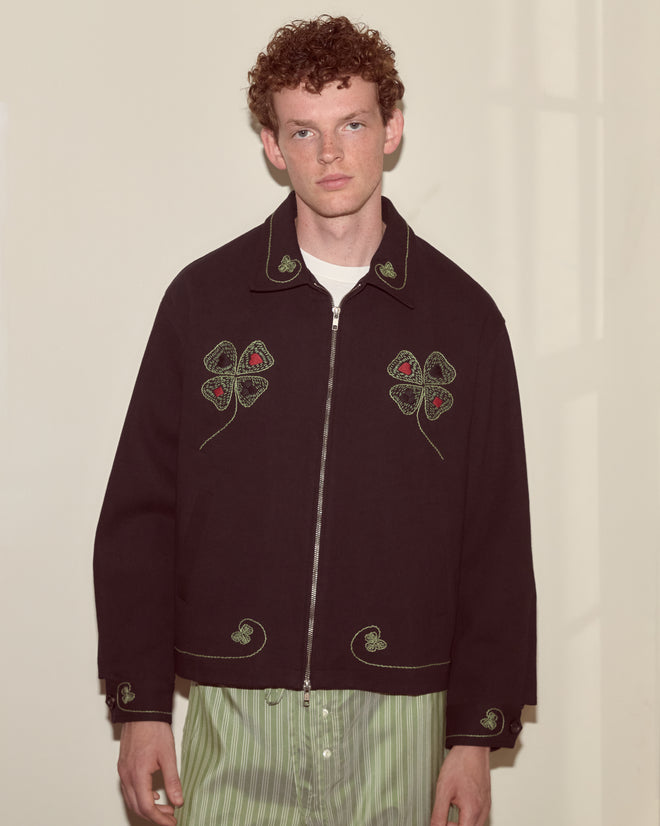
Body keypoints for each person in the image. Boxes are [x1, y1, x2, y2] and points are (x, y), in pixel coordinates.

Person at [94, 15, 536, 826]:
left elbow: (495, 536)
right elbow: (141, 513)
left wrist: (474, 736)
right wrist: (142, 705)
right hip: (235, 717)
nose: (330, 153)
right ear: (273, 144)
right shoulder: (203, 303)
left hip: (402, 720)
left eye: (352, 124)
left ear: (391, 128)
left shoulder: (463, 320)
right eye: (303, 130)